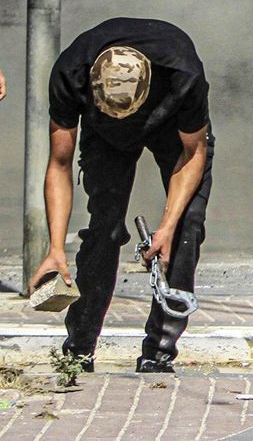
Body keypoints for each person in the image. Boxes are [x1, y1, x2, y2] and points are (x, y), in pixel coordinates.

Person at [29, 19, 212, 374]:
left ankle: (158, 352)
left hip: (172, 130)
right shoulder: (71, 72)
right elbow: (60, 163)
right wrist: (54, 249)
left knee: (186, 227)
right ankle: (79, 349)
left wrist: (167, 227)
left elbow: (193, 154)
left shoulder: (183, 72)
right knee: (104, 230)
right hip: (104, 135)